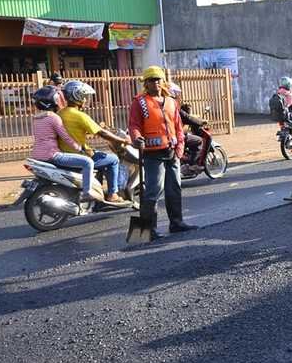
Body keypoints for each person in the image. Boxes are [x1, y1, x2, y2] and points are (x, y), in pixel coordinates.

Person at [128, 66, 197, 240]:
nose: (155, 83)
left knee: (174, 188)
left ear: (163, 81)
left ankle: (177, 223)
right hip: (153, 154)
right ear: (145, 83)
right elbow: (134, 125)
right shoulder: (139, 102)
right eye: (151, 80)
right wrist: (136, 138)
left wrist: (180, 147)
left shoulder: (171, 102)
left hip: (172, 152)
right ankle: (147, 231)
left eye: (158, 79)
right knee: (153, 190)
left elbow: (178, 127)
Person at [59, 81, 131, 206]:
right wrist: (123, 140)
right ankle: (113, 194)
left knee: (102, 157)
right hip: (80, 154)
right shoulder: (80, 116)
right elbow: (102, 133)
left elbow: (74, 129)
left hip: (65, 153)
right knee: (113, 159)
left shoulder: (61, 113)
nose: (86, 100)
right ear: (77, 96)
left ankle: (98, 189)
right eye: (84, 96)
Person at [30, 87, 97, 203]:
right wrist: (79, 148)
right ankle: (87, 192)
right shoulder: (54, 118)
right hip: (52, 155)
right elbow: (65, 137)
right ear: (53, 101)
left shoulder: (36, 118)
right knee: (88, 162)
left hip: (37, 155)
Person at [168, 82, 206, 167]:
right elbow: (187, 118)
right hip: (176, 136)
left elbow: (185, 117)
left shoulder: (164, 103)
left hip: (168, 136)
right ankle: (192, 165)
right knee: (199, 141)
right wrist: (201, 122)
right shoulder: (172, 105)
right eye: (177, 93)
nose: (178, 96)